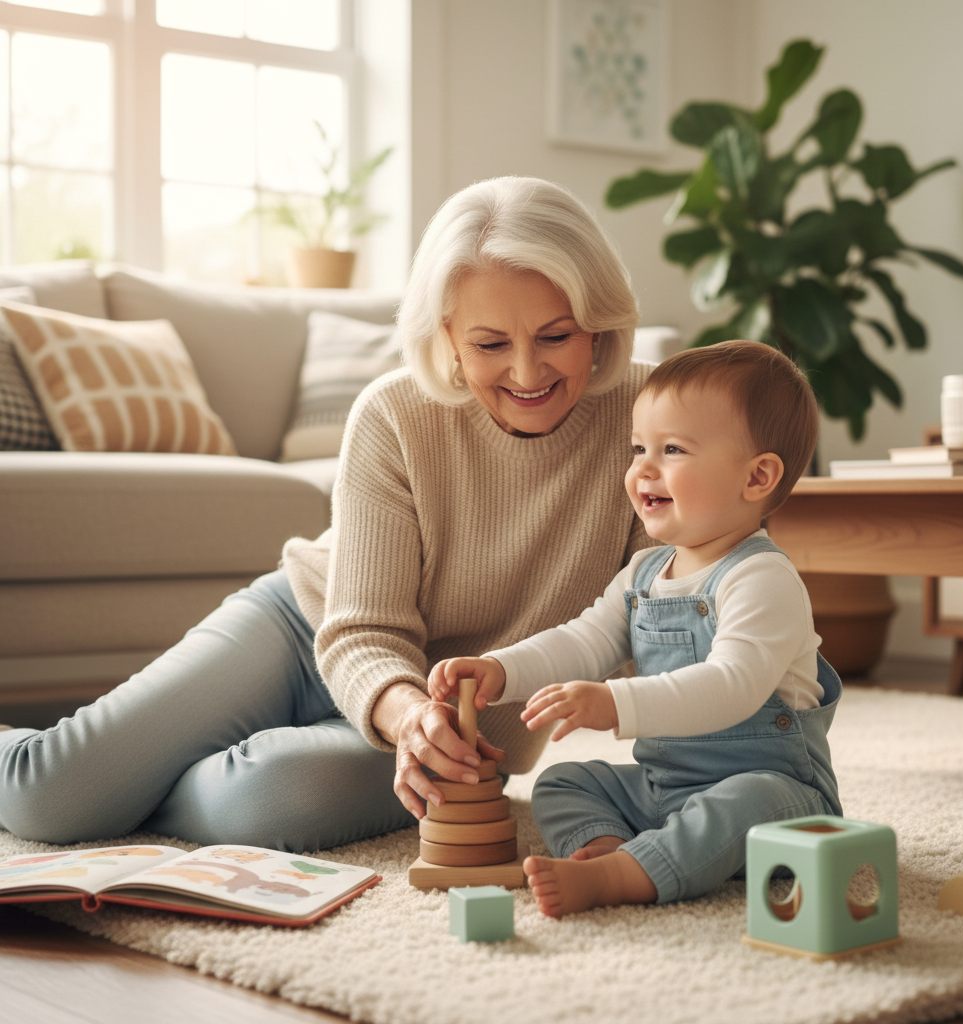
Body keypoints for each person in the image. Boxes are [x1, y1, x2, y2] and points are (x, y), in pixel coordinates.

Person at [0, 176, 654, 853]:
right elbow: (362, 628)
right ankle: (97, 781)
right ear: (449, 338)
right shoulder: (395, 413)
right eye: (491, 345)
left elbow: (664, 622)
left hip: (461, 730)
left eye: (555, 336)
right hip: (309, 629)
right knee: (49, 798)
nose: (526, 372)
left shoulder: (654, 422)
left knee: (265, 801)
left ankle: (131, 786)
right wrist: (406, 718)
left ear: (600, 325)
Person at [428, 341, 843, 917]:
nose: (642, 468)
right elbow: (584, 639)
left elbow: (733, 684)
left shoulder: (761, 578)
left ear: (757, 477)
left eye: (672, 449)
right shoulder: (646, 571)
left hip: (779, 798)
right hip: (665, 788)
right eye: (638, 448)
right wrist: (504, 668)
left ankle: (623, 878)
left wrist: (616, 703)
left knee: (749, 799)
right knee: (564, 782)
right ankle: (611, 851)